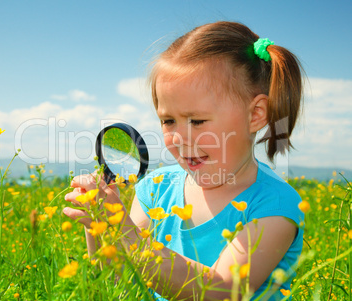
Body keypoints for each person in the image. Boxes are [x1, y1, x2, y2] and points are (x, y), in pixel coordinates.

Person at [63, 21, 305, 300]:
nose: (180, 137)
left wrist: (125, 233)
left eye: (197, 120)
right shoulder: (155, 189)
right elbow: (118, 282)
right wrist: (100, 226)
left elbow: (221, 291)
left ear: (256, 115)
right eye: (168, 121)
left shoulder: (274, 204)